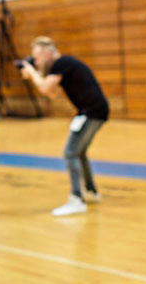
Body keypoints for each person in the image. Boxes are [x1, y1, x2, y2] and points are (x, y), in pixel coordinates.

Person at [18, 36, 108, 216]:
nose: (36, 62)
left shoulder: (62, 62)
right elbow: (52, 94)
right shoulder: (63, 66)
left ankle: (77, 199)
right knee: (79, 152)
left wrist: (32, 73)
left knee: (70, 152)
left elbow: (44, 89)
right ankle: (91, 190)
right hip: (97, 111)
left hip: (91, 112)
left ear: (48, 53)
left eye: (37, 58)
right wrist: (36, 74)